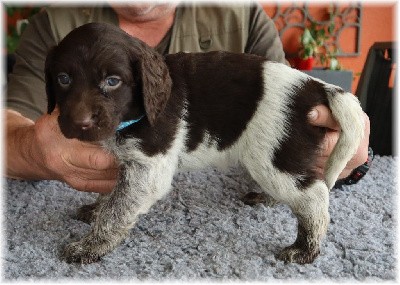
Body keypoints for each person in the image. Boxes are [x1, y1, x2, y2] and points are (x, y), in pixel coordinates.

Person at [6, 3, 370, 193]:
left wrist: (343, 149)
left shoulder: (241, 15)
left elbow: (291, 111)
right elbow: (8, 125)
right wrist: (30, 148)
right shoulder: (54, 24)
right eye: (66, 79)